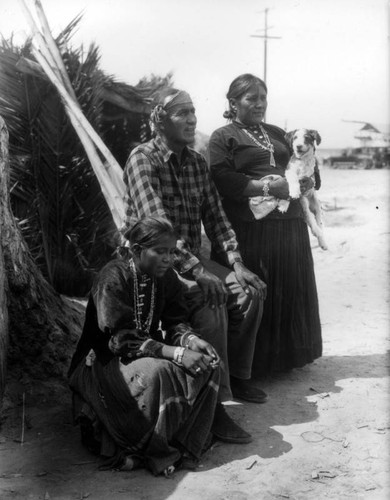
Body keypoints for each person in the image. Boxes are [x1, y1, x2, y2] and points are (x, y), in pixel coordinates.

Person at [122, 87, 267, 444]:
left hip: (188, 261)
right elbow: (159, 228)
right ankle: (212, 407)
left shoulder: (197, 163)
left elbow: (216, 218)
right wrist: (200, 272)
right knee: (211, 299)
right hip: (153, 263)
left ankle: (237, 377)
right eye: (181, 113)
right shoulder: (144, 159)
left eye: (193, 112)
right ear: (160, 119)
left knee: (250, 291)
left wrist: (235, 262)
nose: (191, 119)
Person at [68, 217, 221, 476]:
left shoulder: (166, 277)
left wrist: (192, 341)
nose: (167, 258)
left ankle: (182, 443)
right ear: (137, 251)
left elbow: (175, 323)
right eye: (160, 251)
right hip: (105, 362)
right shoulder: (113, 277)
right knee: (158, 372)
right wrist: (177, 353)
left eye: (171, 252)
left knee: (209, 366)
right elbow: (119, 339)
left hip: (147, 351)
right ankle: (148, 449)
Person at [208, 73, 322, 378]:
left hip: (290, 225)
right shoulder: (223, 137)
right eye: (251, 98)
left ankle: (287, 360)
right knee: (265, 289)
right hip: (253, 228)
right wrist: (267, 188)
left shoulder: (275, 132)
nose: (260, 104)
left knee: (290, 290)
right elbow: (224, 179)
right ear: (233, 103)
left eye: (263, 97)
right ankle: (255, 368)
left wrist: (311, 179)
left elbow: (303, 160)